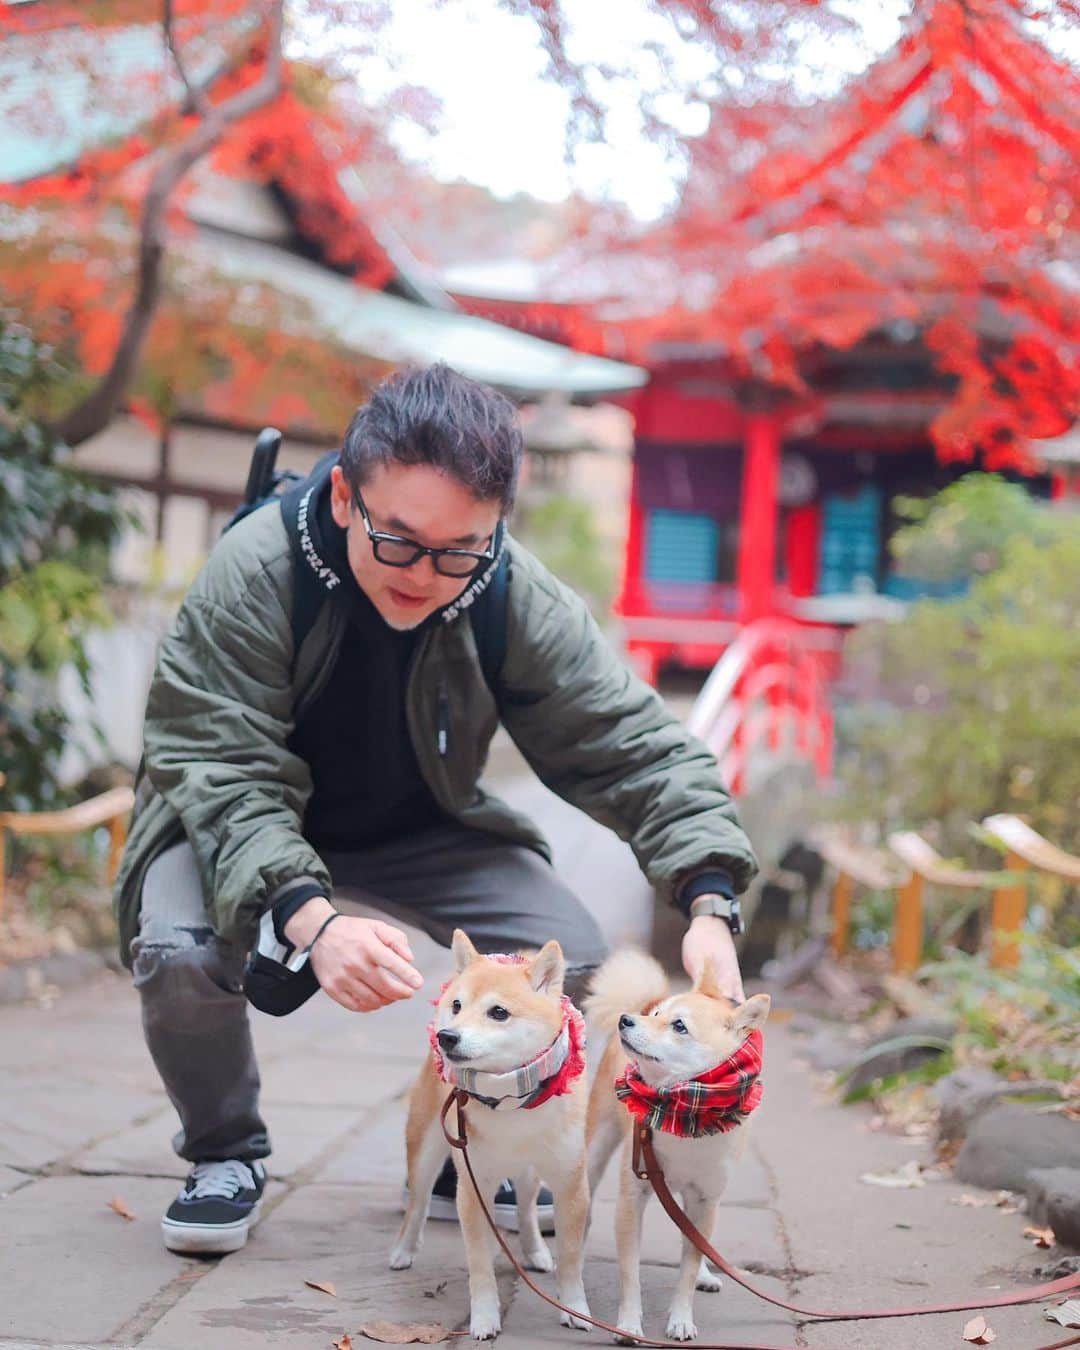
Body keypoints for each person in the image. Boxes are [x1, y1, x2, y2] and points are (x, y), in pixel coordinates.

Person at [115, 363, 758, 1256]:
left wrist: (710, 899)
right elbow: (222, 767)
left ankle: (479, 1141)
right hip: (238, 824)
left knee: (569, 963)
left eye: (461, 549)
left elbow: (631, 742)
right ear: (345, 495)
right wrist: (309, 917)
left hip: (416, 824)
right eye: (401, 541)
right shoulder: (254, 573)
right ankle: (226, 1153)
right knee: (178, 950)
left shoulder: (504, 590)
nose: (426, 575)